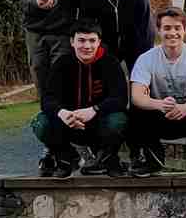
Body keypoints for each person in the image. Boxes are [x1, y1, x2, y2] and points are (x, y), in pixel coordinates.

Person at [12, 0, 88, 176]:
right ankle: (54, 148)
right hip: (36, 34)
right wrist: (37, 4)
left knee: (63, 91)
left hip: (64, 34)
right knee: (44, 92)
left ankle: (65, 148)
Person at [128, 7, 186, 178]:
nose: (172, 33)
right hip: (160, 117)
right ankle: (151, 161)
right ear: (158, 30)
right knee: (135, 109)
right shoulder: (146, 59)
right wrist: (159, 104)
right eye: (167, 28)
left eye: (177, 28)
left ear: (184, 30)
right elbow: (136, 95)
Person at [30, 20, 128, 178]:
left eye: (92, 41)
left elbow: (120, 99)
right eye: (81, 40)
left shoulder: (111, 63)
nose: (87, 46)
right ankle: (67, 156)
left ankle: (107, 157)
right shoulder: (61, 64)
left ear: (99, 42)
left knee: (119, 120)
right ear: (72, 42)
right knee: (40, 123)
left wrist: (94, 110)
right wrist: (63, 113)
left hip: (99, 122)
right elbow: (47, 99)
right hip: (69, 122)